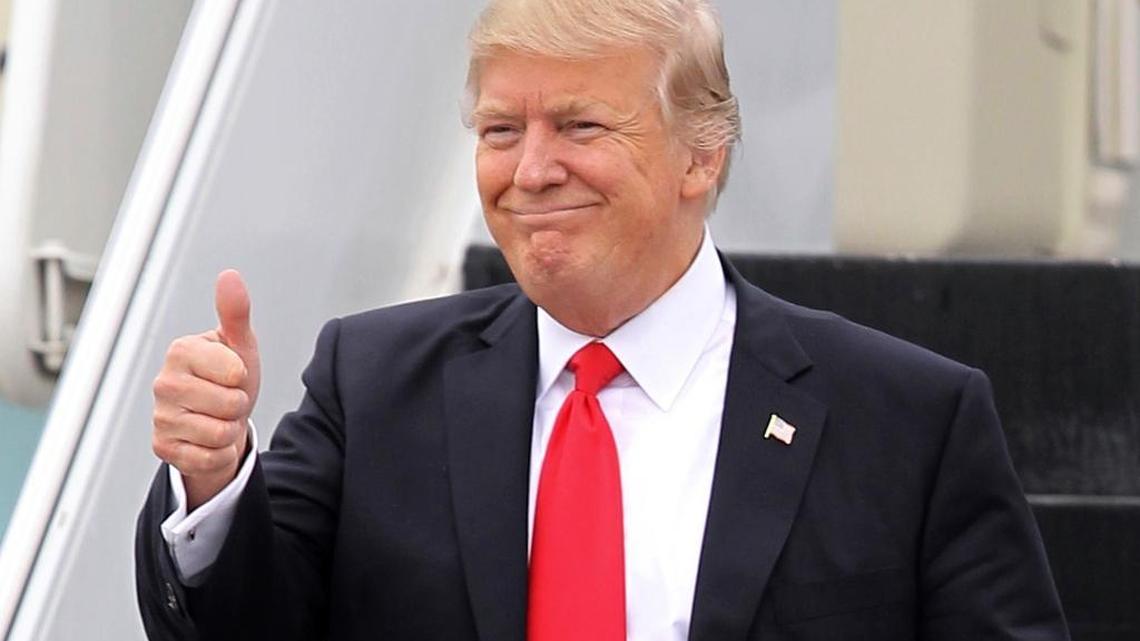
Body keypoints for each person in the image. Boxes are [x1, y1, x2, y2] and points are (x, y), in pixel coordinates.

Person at [135, 1, 1070, 639]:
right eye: (502, 131)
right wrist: (215, 479)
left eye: (580, 127)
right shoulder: (371, 381)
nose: (531, 169)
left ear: (699, 159)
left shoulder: (906, 420)